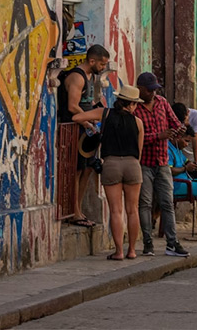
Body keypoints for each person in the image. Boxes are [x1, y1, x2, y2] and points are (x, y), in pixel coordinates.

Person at [72, 85, 144, 260]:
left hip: (111, 164)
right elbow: (139, 152)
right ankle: (132, 250)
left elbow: (76, 116)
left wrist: (91, 125)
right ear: (133, 105)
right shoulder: (138, 123)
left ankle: (119, 251)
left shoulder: (104, 113)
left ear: (119, 100)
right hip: (132, 165)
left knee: (116, 210)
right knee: (133, 210)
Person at [134, 72, 189, 257]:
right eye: (149, 90)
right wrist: (158, 136)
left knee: (167, 202)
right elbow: (136, 137)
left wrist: (179, 130)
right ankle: (147, 241)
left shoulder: (162, 103)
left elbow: (174, 122)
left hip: (162, 161)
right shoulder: (135, 108)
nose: (152, 93)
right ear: (140, 89)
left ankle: (172, 242)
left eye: (154, 90)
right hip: (144, 163)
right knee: (145, 203)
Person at [57, 44, 110, 228]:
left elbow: (89, 101)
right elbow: (72, 106)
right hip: (75, 130)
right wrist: (87, 121)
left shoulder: (91, 77)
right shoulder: (76, 77)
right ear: (92, 60)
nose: (103, 68)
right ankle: (74, 212)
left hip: (87, 132)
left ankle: (78, 209)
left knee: (88, 169)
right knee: (76, 171)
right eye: (102, 64)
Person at [171, 103, 197, 181]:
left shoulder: (196, 116)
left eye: (185, 120)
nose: (183, 124)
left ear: (188, 113)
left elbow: (195, 141)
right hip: (185, 158)